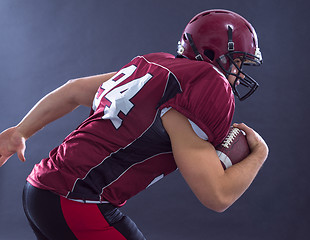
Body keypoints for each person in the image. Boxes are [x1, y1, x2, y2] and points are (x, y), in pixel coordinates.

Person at [0, 9, 268, 240]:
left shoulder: (155, 65)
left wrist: (21, 131)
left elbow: (73, 90)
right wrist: (259, 155)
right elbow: (217, 196)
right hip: (76, 199)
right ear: (215, 54)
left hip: (39, 187)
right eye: (239, 63)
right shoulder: (205, 84)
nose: (240, 74)